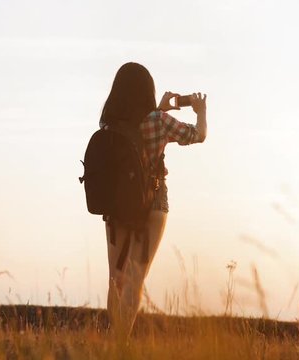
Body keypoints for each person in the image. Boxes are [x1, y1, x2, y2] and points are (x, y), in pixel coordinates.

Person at [99, 62, 207, 340]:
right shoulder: (158, 121)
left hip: (116, 206)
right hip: (153, 204)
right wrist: (201, 111)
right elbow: (198, 135)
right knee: (136, 280)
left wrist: (160, 109)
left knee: (117, 279)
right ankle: (121, 347)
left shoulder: (110, 123)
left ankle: (114, 343)